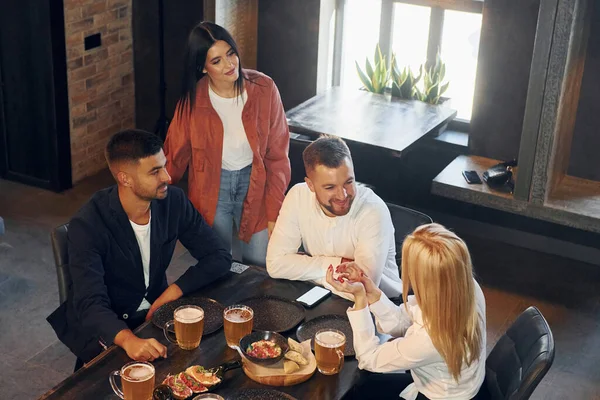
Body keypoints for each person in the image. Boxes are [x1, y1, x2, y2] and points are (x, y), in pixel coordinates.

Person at [47, 130, 232, 370]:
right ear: (125, 179)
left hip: (157, 315)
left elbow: (219, 256)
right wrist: (128, 340)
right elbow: (89, 302)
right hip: (108, 327)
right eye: (155, 171)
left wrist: (173, 291)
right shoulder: (89, 224)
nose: (167, 177)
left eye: (164, 166)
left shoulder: (173, 202)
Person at [164, 21, 290, 267]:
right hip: (211, 188)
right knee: (218, 264)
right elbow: (173, 157)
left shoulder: (264, 88)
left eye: (231, 53)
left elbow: (278, 156)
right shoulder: (192, 101)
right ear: (202, 67)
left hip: (256, 183)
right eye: (217, 60)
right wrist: (149, 199)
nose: (229, 64)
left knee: (260, 265)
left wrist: (275, 211)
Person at [328, 223, 486, 400]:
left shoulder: (433, 339)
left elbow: (368, 359)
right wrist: (370, 292)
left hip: (438, 396)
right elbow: (405, 323)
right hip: (459, 385)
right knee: (367, 386)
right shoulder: (463, 286)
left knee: (355, 392)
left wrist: (360, 300)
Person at [266, 136, 402, 299]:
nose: (342, 195)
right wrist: (339, 264)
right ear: (310, 185)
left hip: (383, 307)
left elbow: (362, 289)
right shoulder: (297, 195)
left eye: (348, 182)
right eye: (330, 187)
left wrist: (307, 268)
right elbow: (275, 265)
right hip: (323, 297)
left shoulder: (374, 210)